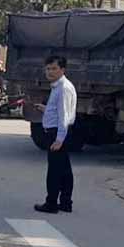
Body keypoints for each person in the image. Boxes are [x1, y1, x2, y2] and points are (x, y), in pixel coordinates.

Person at [33, 55, 78, 214]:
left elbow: (64, 116)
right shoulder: (57, 87)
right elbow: (58, 111)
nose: (49, 72)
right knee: (64, 169)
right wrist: (45, 109)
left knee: (54, 170)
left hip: (58, 133)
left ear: (62, 70)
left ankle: (51, 203)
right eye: (47, 68)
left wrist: (59, 139)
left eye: (54, 68)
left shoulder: (64, 88)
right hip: (57, 131)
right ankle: (66, 202)